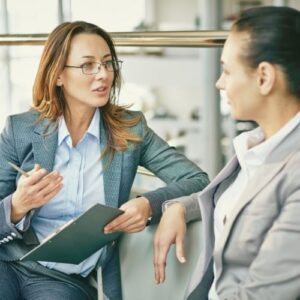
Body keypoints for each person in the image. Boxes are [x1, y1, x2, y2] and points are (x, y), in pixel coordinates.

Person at [0, 21, 209, 300]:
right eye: (88, 65)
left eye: (108, 63)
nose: (103, 74)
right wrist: (17, 206)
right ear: (58, 75)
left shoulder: (131, 130)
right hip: (9, 262)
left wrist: (149, 204)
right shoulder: (20, 129)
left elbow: (197, 180)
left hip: (62, 279)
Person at [153, 6, 300, 300]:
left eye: (227, 70)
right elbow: (236, 200)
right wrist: (179, 206)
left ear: (264, 78)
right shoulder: (256, 147)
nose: (219, 83)